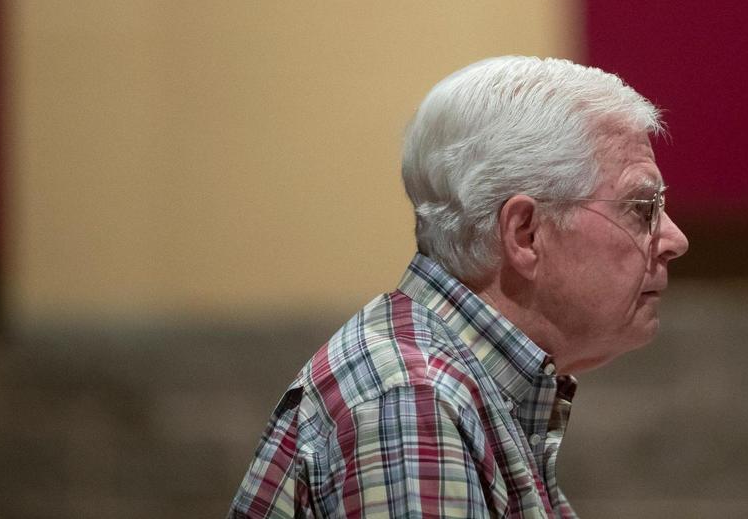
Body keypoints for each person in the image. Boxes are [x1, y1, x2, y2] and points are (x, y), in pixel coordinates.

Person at [228, 55, 689, 518]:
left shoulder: (452, 384)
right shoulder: (410, 403)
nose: (675, 239)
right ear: (525, 233)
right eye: (642, 207)